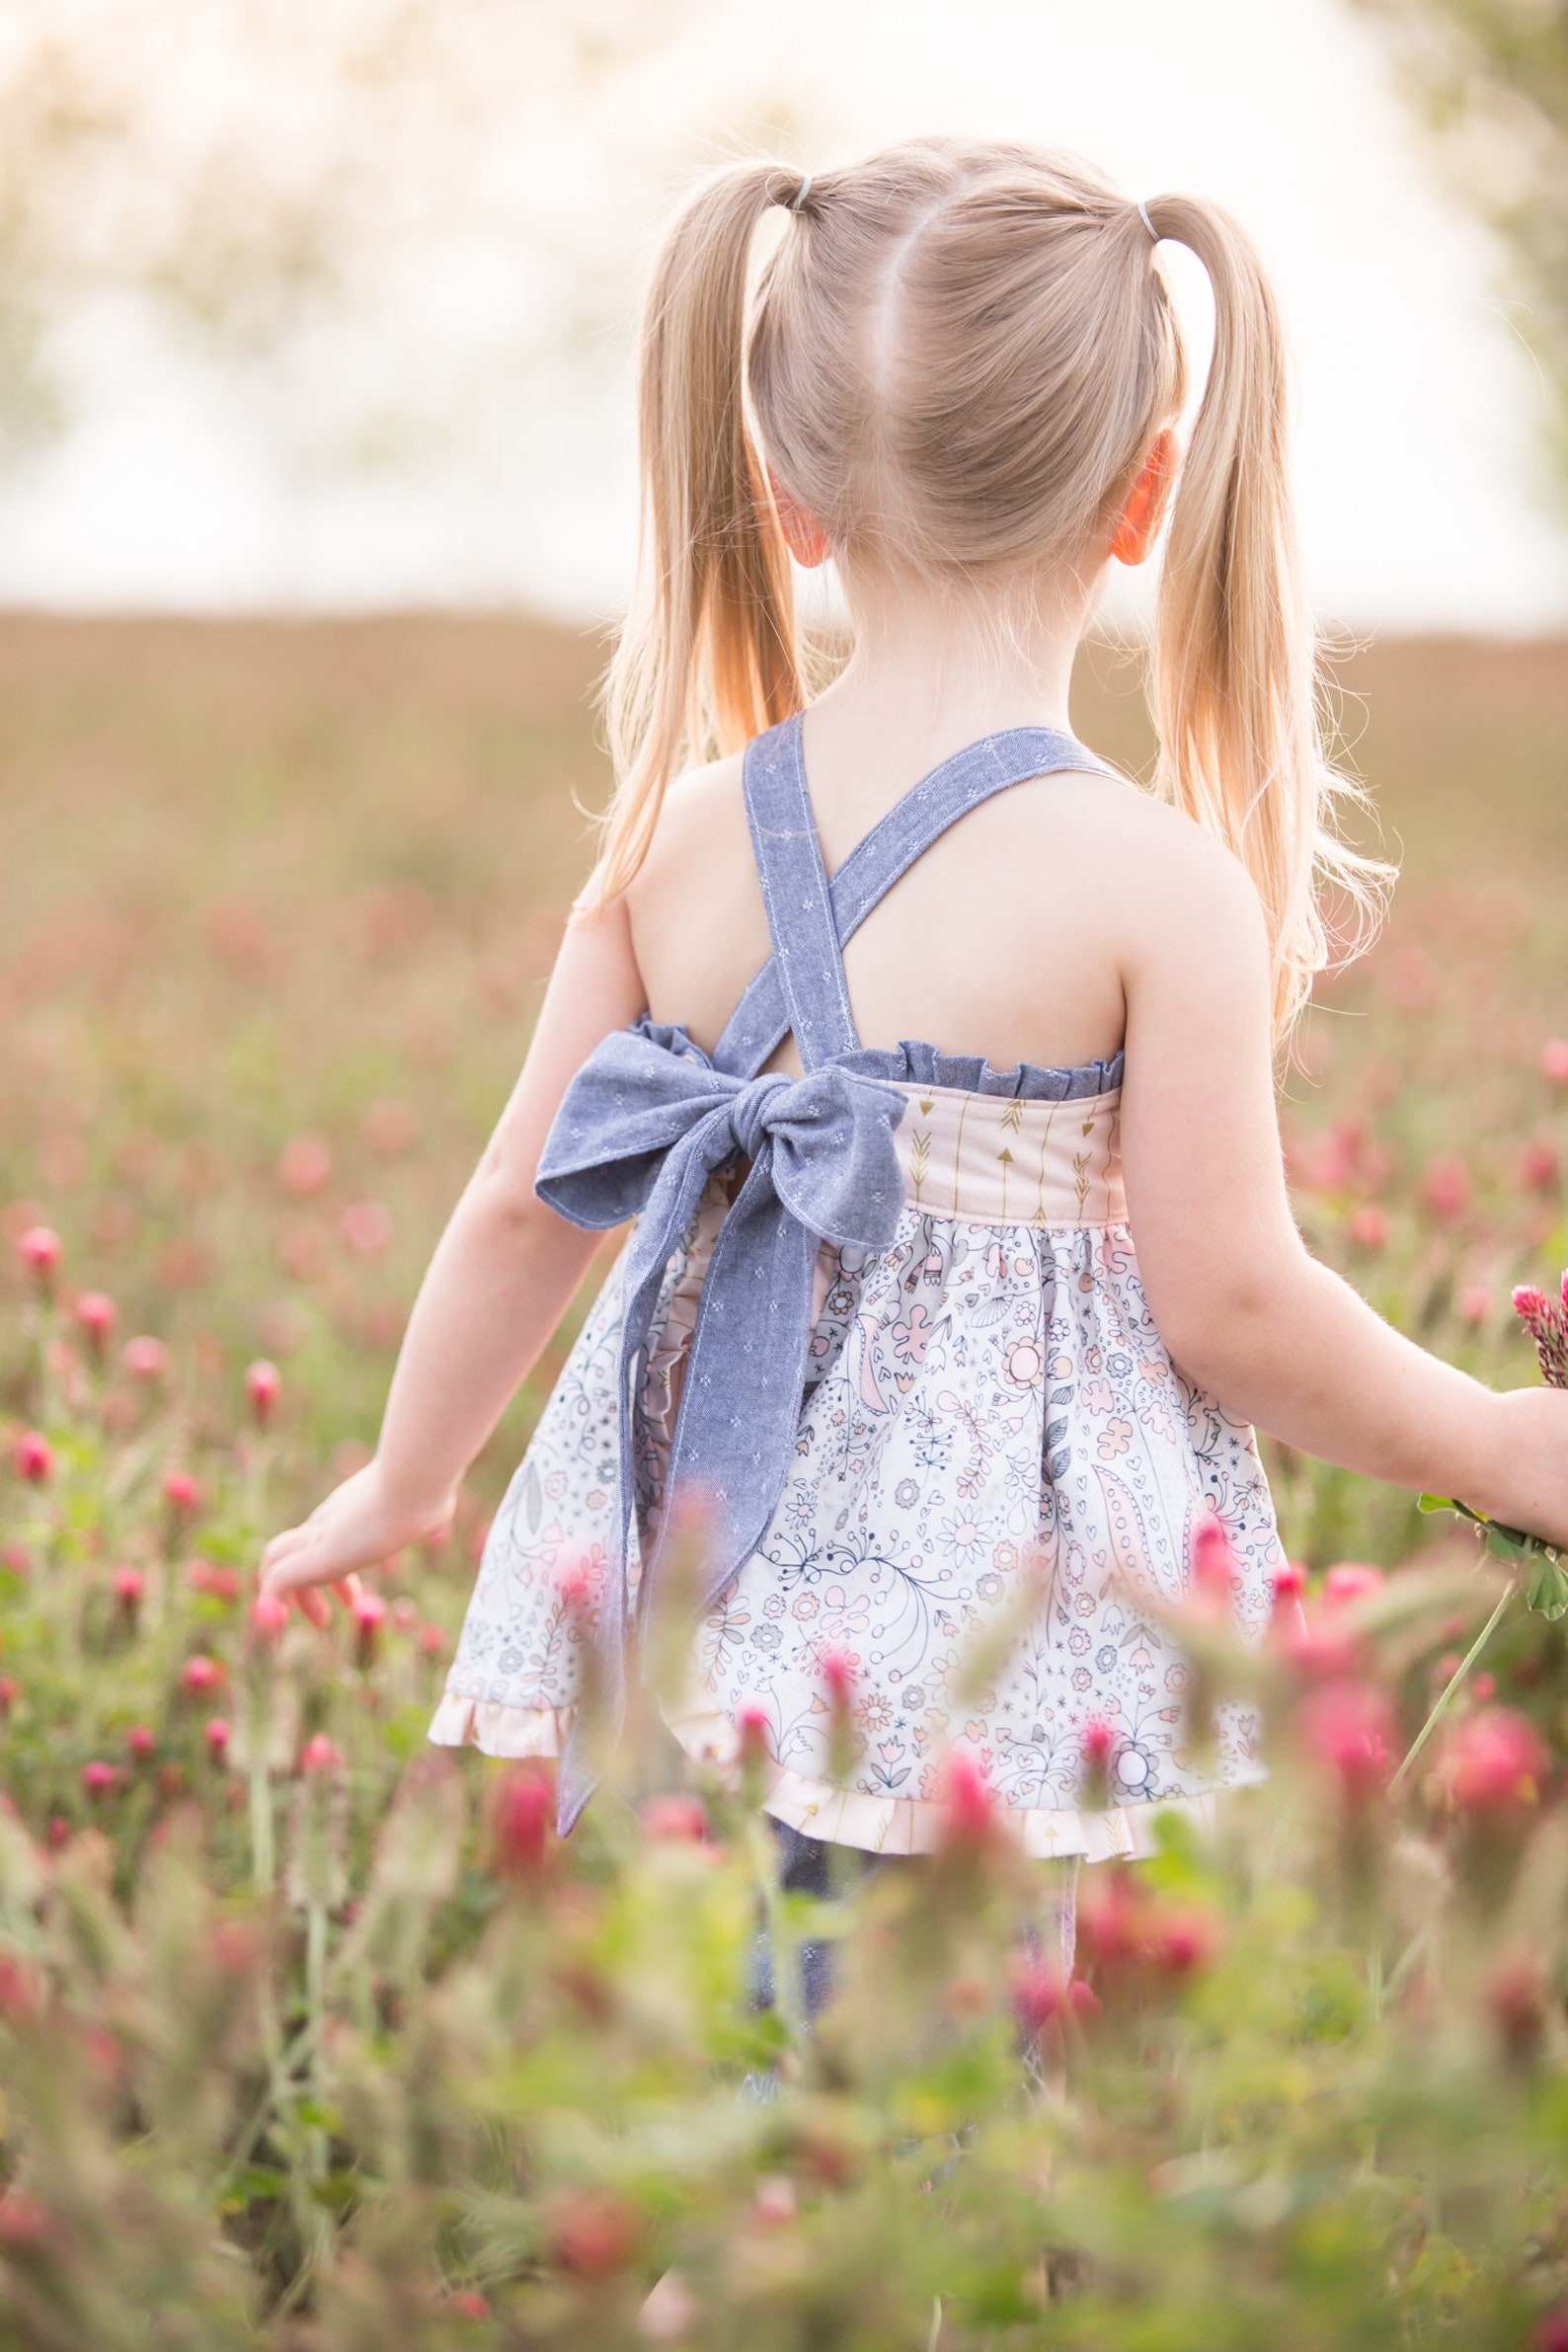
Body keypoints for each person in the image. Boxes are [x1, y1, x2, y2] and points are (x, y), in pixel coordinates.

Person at [259, 136, 1568, 1990]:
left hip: (691, 1570)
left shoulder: (680, 838)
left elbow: (518, 1195)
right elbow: (1239, 1307)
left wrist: (407, 1473)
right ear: (1146, 495)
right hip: (984, 1647)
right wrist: (1507, 1440)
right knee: (935, 2113)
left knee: (729, 2063)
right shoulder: (1154, 885)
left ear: (786, 495)